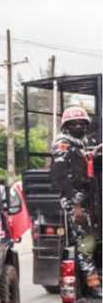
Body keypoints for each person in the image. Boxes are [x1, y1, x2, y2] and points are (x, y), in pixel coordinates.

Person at [52, 106, 100, 287]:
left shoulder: (80, 144)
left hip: (87, 200)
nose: (79, 126)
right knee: (85, 243)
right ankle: (93, 285)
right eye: (74, 124)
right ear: (66, 126)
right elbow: (60, 178)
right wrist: (76, 205)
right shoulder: (62, 145)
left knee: (91, 240)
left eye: (82, 123)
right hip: (74, 202)